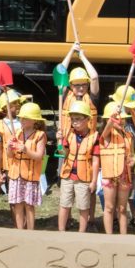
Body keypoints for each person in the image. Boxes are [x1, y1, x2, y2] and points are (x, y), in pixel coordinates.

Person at [57, 100, 98, 233]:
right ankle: (61, 231)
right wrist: (59, 143)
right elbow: (63, 153)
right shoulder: (69, 134)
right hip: (68, 176)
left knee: (83, 206)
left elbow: (96, 161)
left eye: (78, 119)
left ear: (87, 119)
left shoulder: (94, 137)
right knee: (64, 204)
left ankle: (81, 233)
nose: (74, 122)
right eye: (73, 119)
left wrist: (93, 181)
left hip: (84, 178)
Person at [5, 103, 47, 230]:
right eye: (21, 118)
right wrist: (9, 147)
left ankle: (30, 231)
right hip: (16, 174)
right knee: (17, 204)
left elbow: (39, 156)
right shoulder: (17, 133)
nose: (22, 120)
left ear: (34, 120)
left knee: (29, 205)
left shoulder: (40, 135)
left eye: (25, 118)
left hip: (30, 175)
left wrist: (25, 150)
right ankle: (19, 230)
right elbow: (10, 155)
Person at [95, 101, 134, 235]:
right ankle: (109, 236)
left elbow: (131, 155)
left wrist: (132, 161)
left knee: (122, 208)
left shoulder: (128, 136)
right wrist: (112, 118)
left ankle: (123, 236)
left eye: (121, 118)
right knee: (109, 207)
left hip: (124, 176)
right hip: (109, 176)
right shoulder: (105, 136)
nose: (120, 120)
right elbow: (106, 130)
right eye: (117, 118)